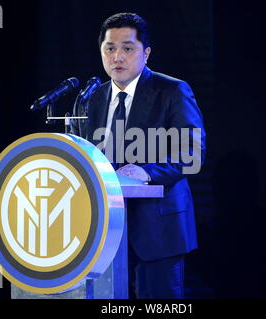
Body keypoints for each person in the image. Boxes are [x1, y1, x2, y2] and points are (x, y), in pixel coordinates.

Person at [73, 12, 205, 299]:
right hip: (105, 234)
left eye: (127, 48)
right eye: (110, 48)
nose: (117, 56)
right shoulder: (92, 98)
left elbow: (192, 153)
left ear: (146, 53)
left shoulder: (172, 90)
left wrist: (145, 173)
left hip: (158, 232)